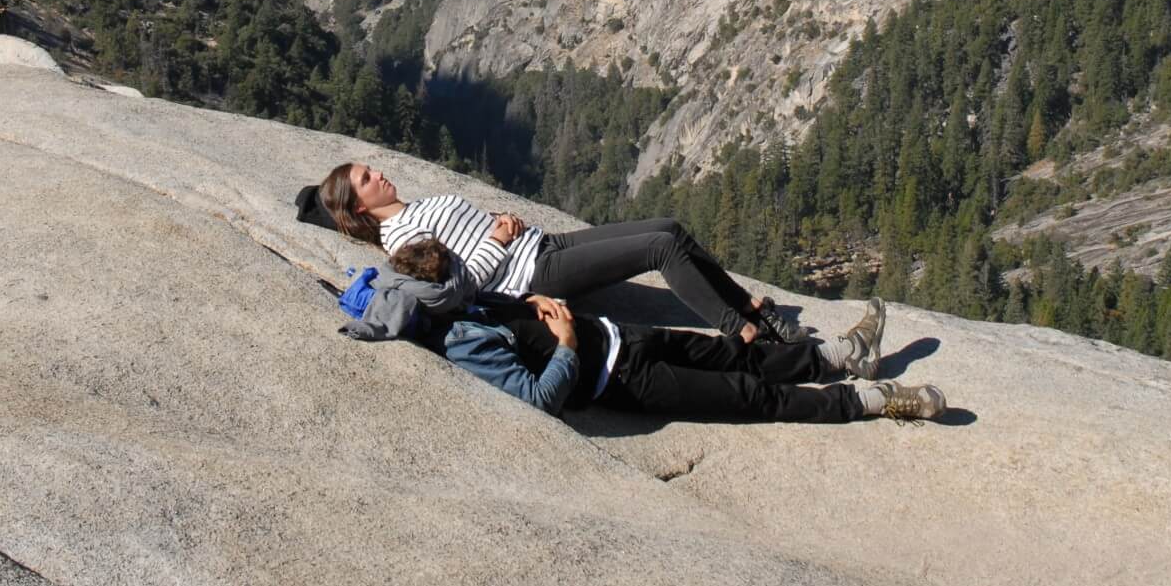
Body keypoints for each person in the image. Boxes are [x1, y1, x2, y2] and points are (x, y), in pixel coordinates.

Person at [388, 237, 946, 424]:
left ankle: (842, 357)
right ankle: (870, 402)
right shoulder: (461, 341)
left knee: (739, 356)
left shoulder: (470, 305)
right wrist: (565, 344)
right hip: (623, 380)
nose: (468, 279)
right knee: (751, 396)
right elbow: (537, 397)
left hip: (624, 336)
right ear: (436, 296)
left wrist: (525, 299)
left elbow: (494, 303)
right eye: (457, 277)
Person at [317, 161, 803, 345]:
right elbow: (461, 287)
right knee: (659, 249)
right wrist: (498, 241)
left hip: (541, 243)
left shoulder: (416, 208)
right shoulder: (400, 242)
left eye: (371, 169)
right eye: (367, 179)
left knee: (668, 226)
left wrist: (503, 223)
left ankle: (747, 305)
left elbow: (468, 236)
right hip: (533, 273)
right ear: (359, 206)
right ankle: (741, 331)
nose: (378, 173)